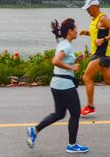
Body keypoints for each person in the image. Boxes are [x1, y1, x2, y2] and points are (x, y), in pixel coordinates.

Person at [26, 18, 89, 154]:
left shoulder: (64, 44)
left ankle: (34, 130)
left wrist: (76, 60)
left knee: (59, 113)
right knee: (75, 113)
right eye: (75, 29)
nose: (77, 31)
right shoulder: (65, 45)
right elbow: (55, 61)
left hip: (57, 84)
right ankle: (72, 145)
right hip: (64, 84)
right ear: (70, 31)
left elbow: (62, 60)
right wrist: (71, 67)